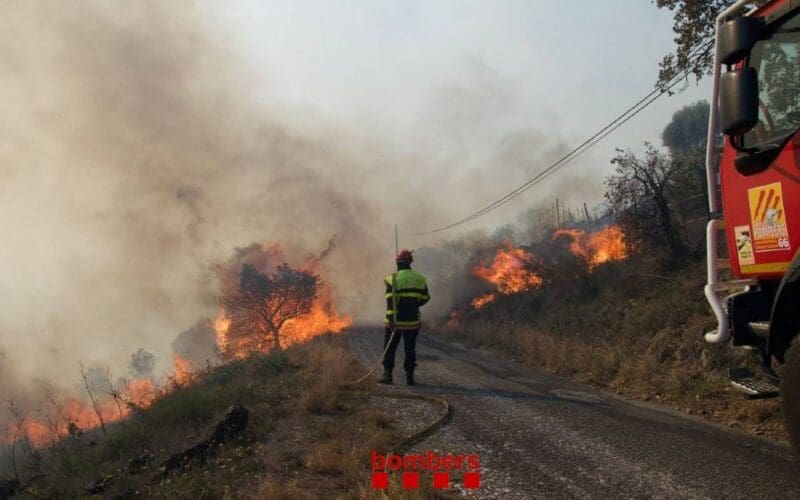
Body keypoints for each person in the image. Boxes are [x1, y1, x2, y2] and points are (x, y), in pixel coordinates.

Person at [379, 249, 430, 386]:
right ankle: (410, 378)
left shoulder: (392, 279)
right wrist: (414, 304)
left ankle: (388, 375)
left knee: (390, 348)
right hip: (412, 321)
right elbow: (425, 297)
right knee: (410, 348)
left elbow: (390, 301)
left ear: (397, 263)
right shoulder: (420, 279)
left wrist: (390, 320)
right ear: (410, 263)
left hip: (395, 321)